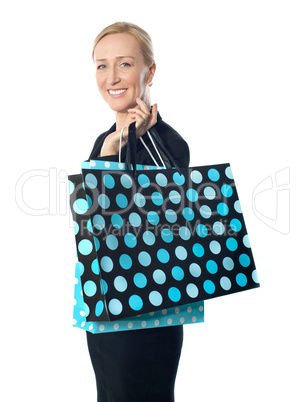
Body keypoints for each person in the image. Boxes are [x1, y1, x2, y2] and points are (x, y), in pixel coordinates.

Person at [86, 21, 191, 402]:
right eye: (101, 65)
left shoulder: (168, 143)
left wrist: (126, 146)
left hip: (146, 314)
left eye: (125, 64)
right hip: (104, 308)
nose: (111, 77)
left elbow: (172, 217)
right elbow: (91, 224)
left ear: (150, 71)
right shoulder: (106, 139)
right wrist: (112, 147)